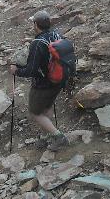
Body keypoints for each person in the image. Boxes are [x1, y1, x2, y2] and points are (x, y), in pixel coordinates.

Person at [9, 10, 70, 150]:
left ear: (36, 24)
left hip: (43, 84)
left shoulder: (37, 43)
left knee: (35, 113)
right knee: (46, 108)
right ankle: (47, 136)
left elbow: (31, 70)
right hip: (58, 80)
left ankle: (58, 137)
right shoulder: (56, 35)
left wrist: (16, 71)